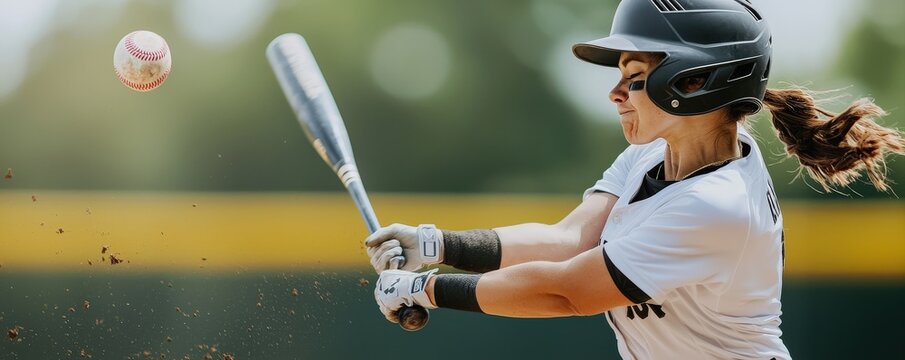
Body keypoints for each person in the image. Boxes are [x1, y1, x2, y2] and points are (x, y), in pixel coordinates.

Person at [365, 0, 905, 359]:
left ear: (694, 82)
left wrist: (425, 289)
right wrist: (435, 244)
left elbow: (568, 291)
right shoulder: (651, 155)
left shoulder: (716, 204)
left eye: (635, 76)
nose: (615, 93)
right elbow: (568, 241)